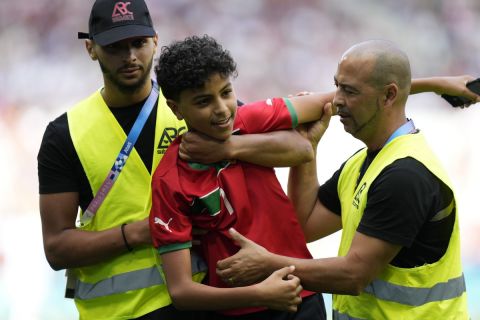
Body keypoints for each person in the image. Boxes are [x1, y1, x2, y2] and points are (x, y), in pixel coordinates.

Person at [36, 1, 314, 319]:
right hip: (120, 313)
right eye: (115, 47)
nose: (129, 56)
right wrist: (139, 233)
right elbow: (56, 248)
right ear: (91, 48)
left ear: (154, 40)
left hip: (208, 304)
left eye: (138, 43)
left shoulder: (196, 104)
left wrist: (229, 149)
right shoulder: (65, 134)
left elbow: (297, 148)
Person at [215, 40, 478, 319]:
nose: (337, 100)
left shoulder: (404, 176)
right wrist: (309, 148)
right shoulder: (364, 162)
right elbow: (305, 225)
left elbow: (354, 275)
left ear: (389, 96)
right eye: (337, 85)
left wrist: (267, 264)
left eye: (349, 91)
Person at [149, 34, 338, 319]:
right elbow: (182, 291)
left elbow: (324, 114)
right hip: (239, 310)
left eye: (226, 92)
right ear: (176, 108)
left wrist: (423, 85)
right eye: (203, 101)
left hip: (301, 295)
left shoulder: (248, 121)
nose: (222, 109)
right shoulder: (169, 179)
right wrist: (260, 293)